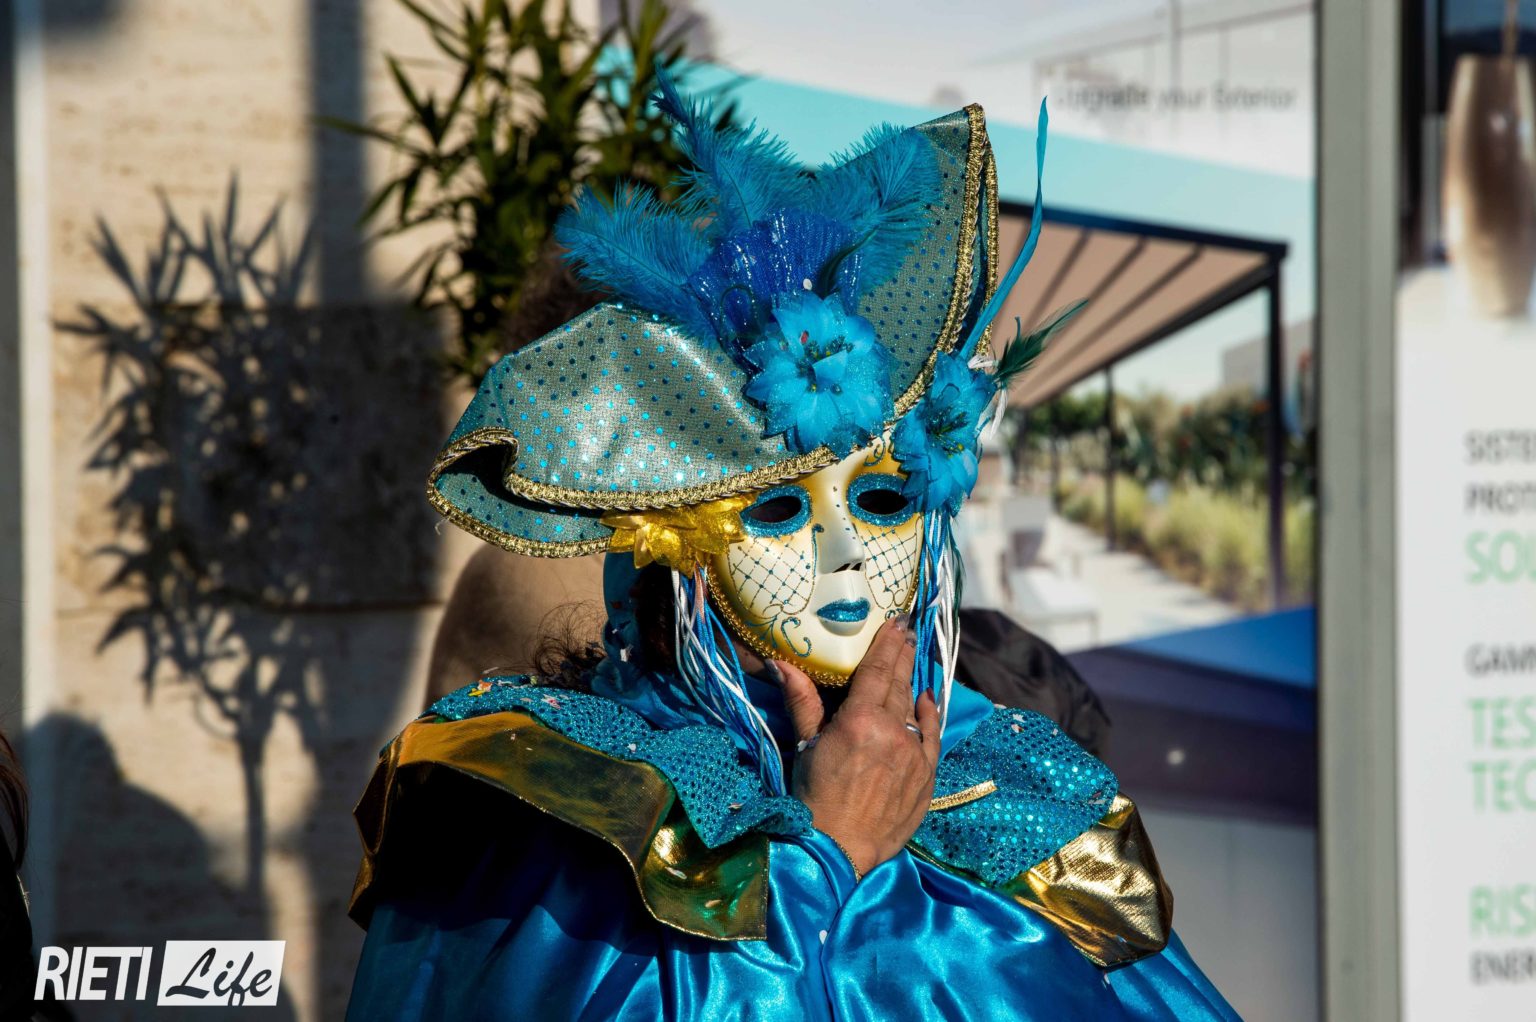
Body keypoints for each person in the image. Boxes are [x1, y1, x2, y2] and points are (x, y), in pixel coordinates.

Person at [346, 75, 1239, 1021]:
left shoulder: (1001, 789)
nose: (845, 556)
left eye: (883, 499)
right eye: (777, 509)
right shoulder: (559, 810)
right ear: (674, 538)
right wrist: (822, 857)